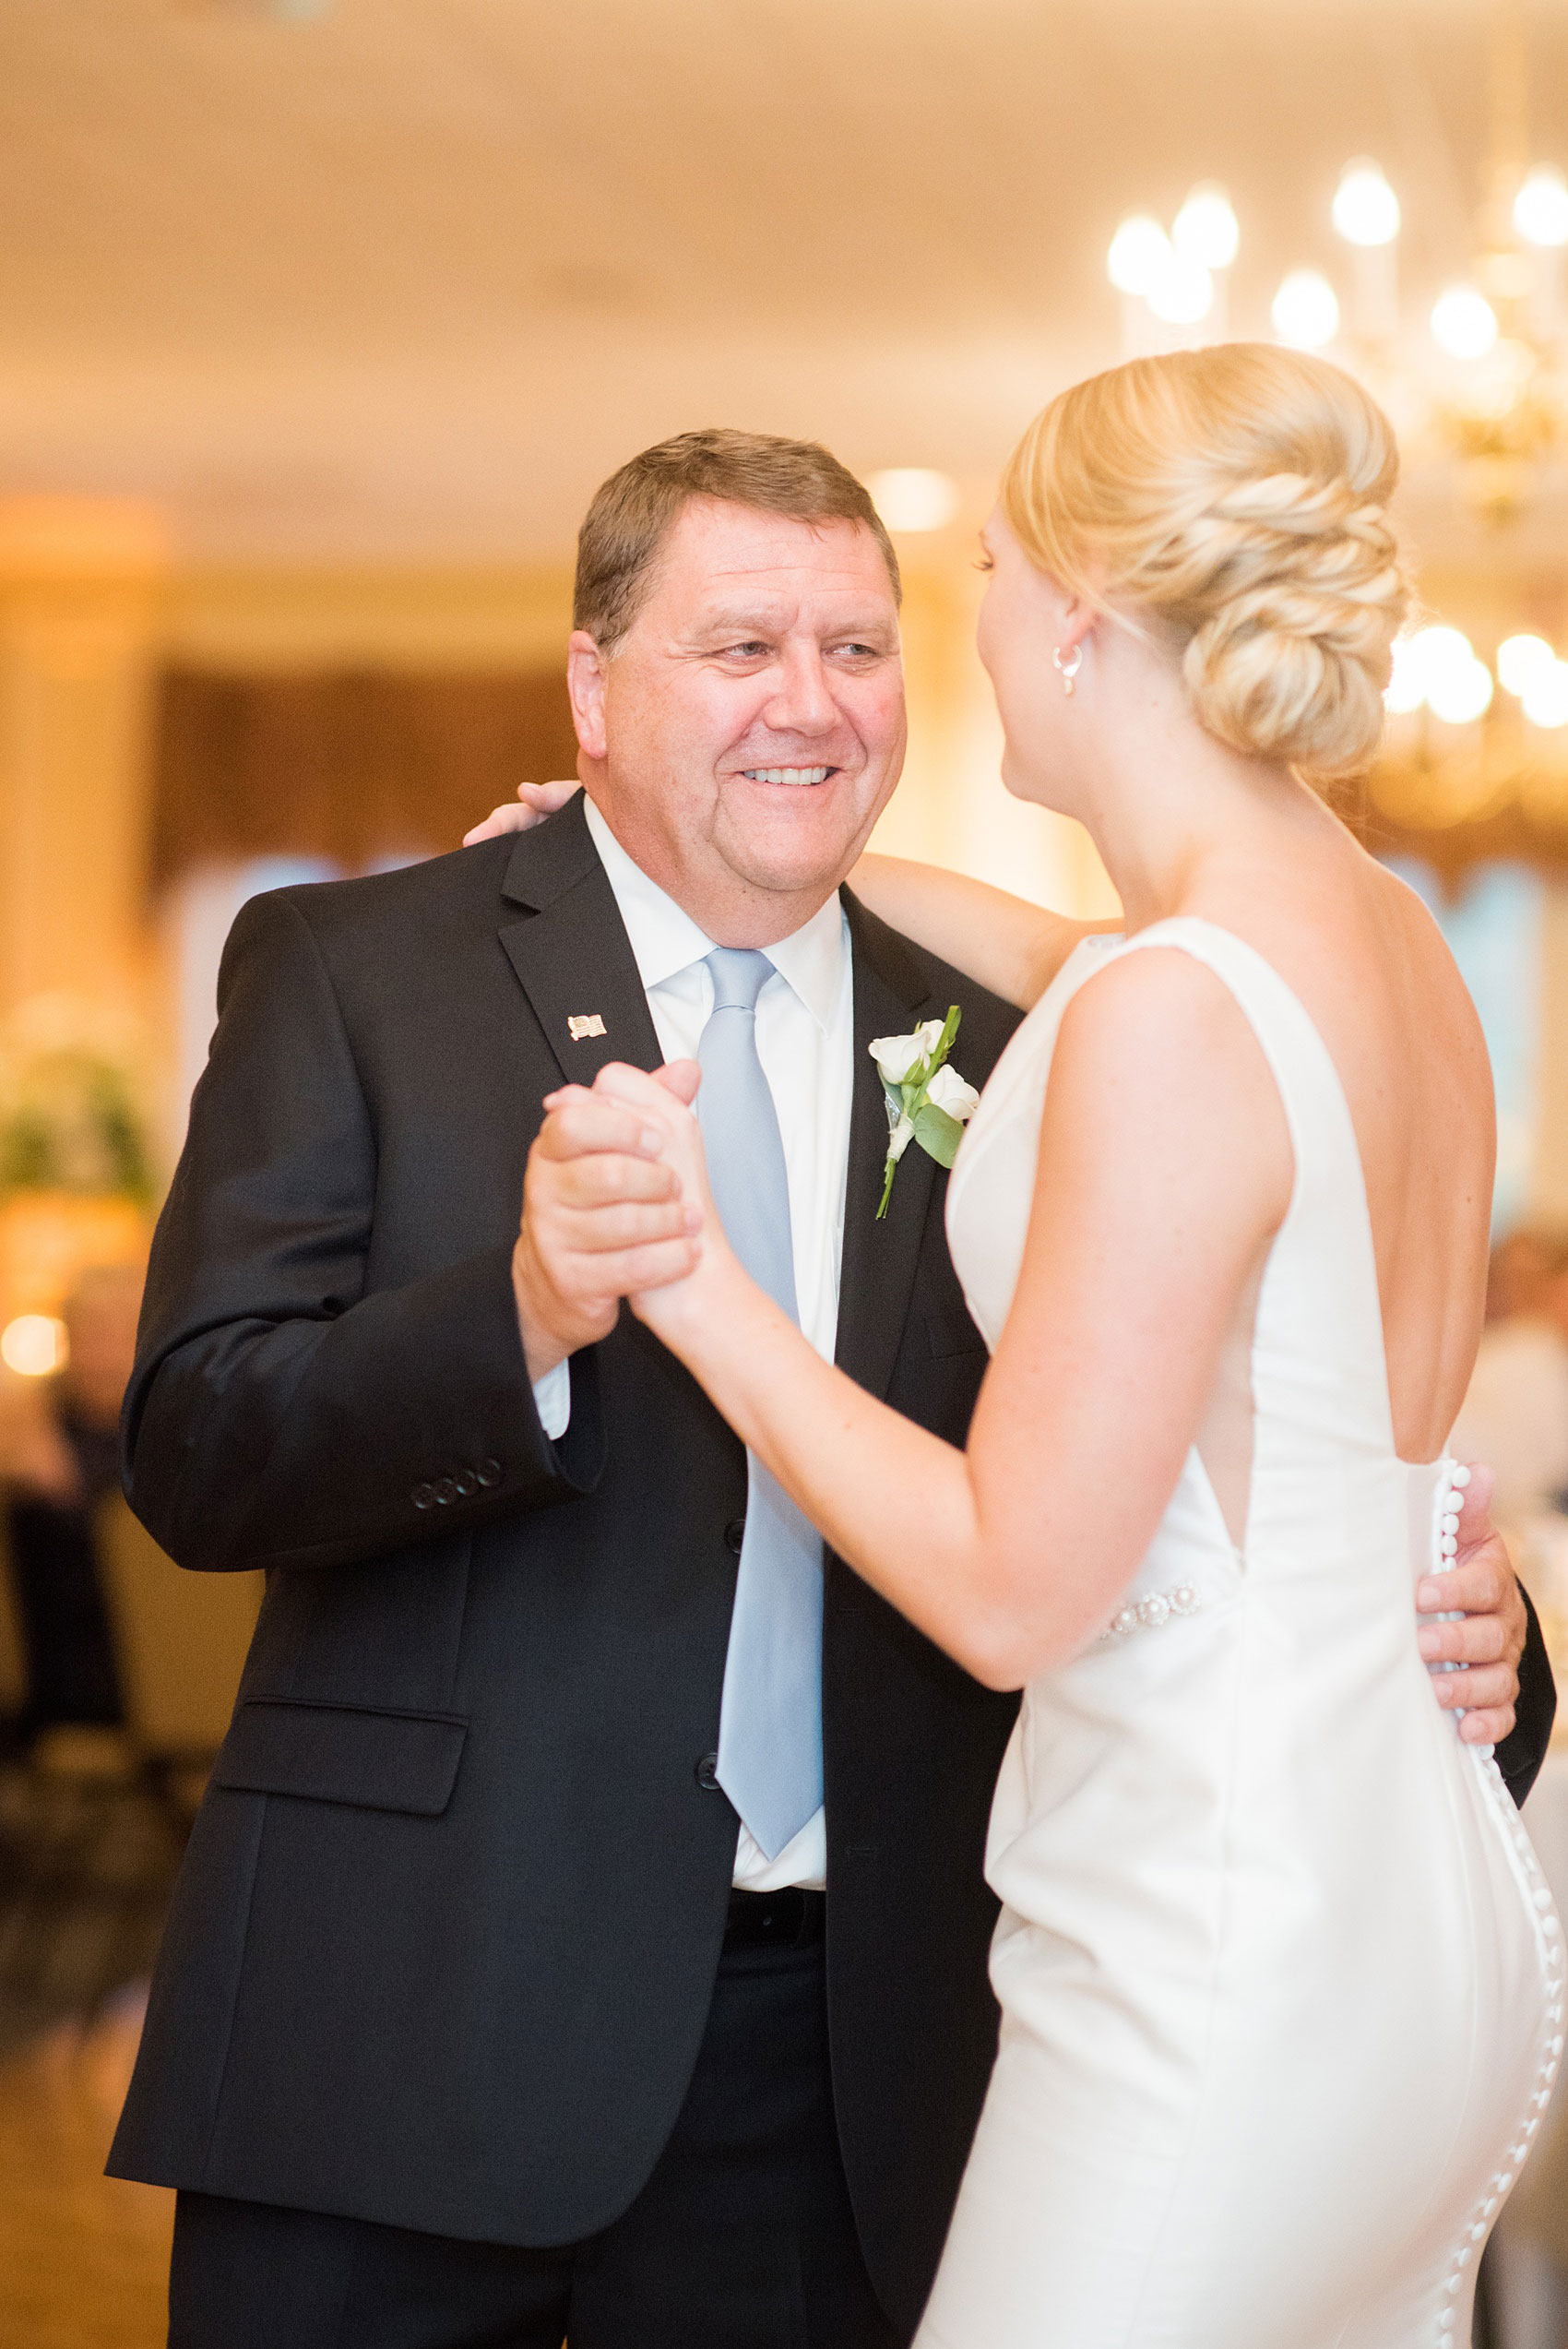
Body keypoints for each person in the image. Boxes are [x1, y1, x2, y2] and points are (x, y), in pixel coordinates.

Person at [112, 426, 1546, 2349]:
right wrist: (527, 1311)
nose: (813, 701)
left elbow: (1243, 1427)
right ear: (592, 686)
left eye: (860, 646)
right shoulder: (360, 968)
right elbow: (203, 1448)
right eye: (739, 649)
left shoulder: (1067, 1031)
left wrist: (1463, 1614)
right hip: (413, 2036)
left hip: (870, 2067)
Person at [517, 352, 1563, 2347]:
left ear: (1078, 610)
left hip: (1215, 1921)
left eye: (982, 565)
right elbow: (1069, 961)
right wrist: (670, 842)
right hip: (1421, 1895)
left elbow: (1014, 1584)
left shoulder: (1178, 1006)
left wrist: (695, 1279)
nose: (964, 622)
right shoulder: (1378, 945)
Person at [2, 1263, 143, 1738]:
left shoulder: (158, 1435)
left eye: (117, 1327)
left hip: (139, 1664)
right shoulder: (34, 1429)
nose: (101, 1347)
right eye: (88, 1328)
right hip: (52, 1668)